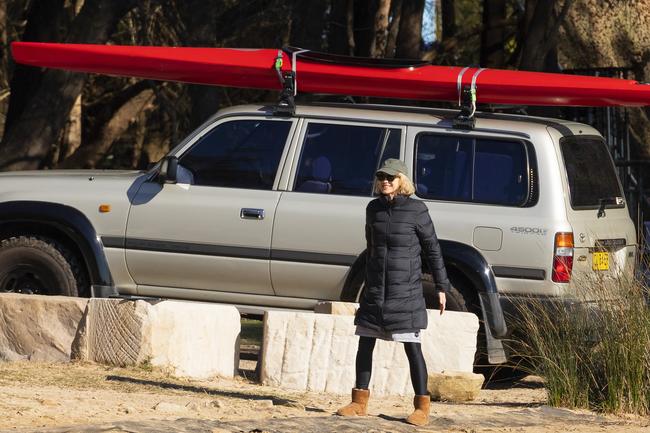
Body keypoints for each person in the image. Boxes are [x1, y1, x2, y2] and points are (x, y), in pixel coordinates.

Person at [336, 158, 450, 427]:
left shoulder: (417, 210)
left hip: (405, 292)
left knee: (412, 347)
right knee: (365, 342)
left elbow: (433, 249)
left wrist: (442, 286)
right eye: (381, 177)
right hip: (375, 290)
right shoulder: (372, 209)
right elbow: (370, 248)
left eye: (391, 177)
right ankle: (359, 401)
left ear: (403, 181)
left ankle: (421, 406)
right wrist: (362, 285)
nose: (384, 181)